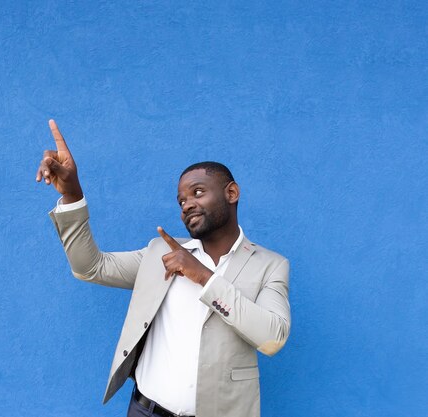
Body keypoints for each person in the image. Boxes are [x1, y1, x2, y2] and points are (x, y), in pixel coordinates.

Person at [37, 120, 291, 417]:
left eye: (198, 192)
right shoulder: (162, 253)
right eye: (181, 200)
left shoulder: (270, 265)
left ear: (231, 193)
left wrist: (204, 277)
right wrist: (72, 195)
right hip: (145, 411)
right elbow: (91, 267)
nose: (186, 205)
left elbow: (273, 337)